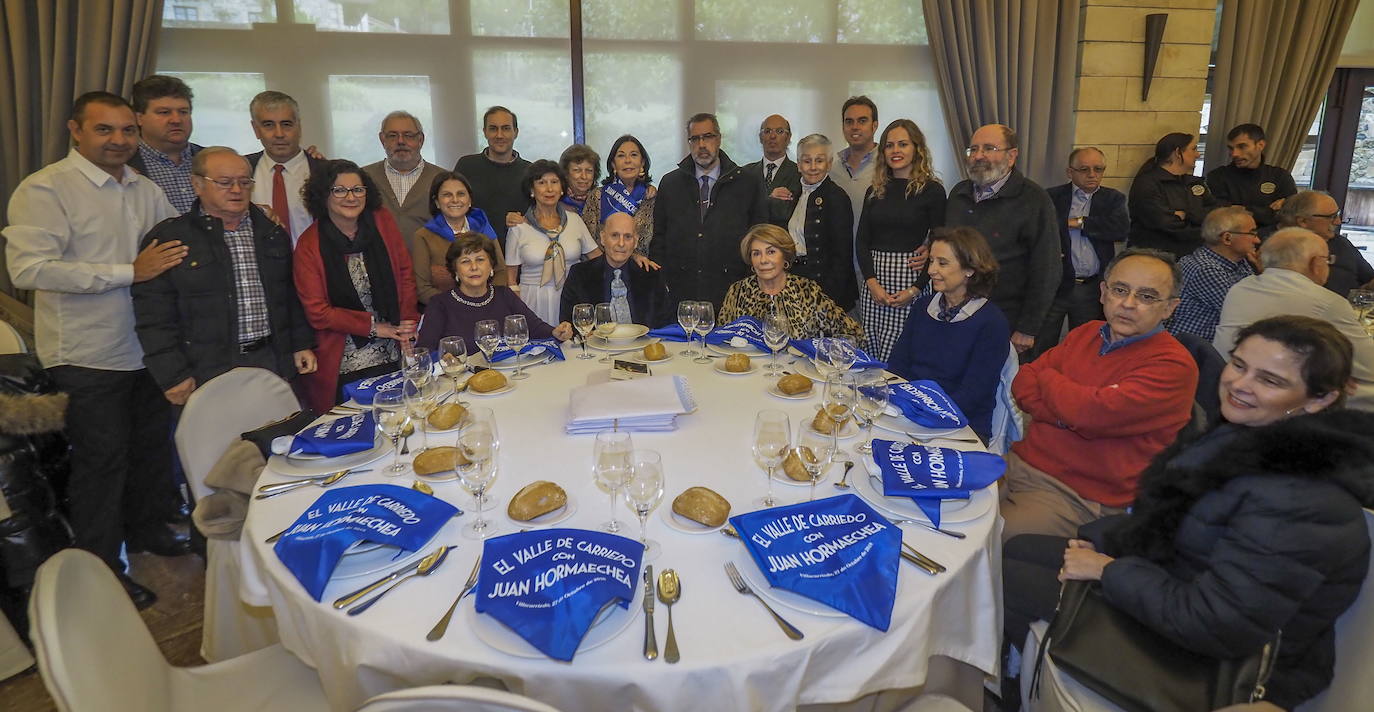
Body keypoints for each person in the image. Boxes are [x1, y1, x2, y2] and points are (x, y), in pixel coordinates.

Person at [1003, 316, 1374, 712]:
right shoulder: (1247, 435)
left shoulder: (1304, 498)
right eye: (1239, 365)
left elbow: (1218, 624)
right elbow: (1174, 524)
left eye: (1270, 380)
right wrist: (1100, 541)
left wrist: (1107, 570)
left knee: (1006, 578)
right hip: (1179, 586)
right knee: (1020, 549)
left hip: (1221, 659)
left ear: (1318, 400)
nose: (1240, 385)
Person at [4, 91, 190, 607]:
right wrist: (130, 272)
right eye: (105, 130)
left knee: (151, 451)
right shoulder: (45, 189)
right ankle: (102, 571)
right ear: (76, 130)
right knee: (101, 464)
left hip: (146, 350)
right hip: (87, 354)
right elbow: (29, 269)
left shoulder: (142, 187)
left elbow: (179, 238)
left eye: (127, 131)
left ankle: (151, 531)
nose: (119, 140)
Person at [1000, 248, 1197, 541]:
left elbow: (1089, 413)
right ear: (1103, 292)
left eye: (1146, 296)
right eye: (1120, 290)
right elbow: (1022, 384)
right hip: (1018, 463)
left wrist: (1051, 380)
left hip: (1077, 495)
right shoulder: (1087, 332)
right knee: (936, 506)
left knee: (985, 540)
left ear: (1169, 308)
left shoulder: (1173, 365)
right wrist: (1069, 413)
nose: (1128, 304)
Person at [132, 146, 317, 399]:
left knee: (277, 435)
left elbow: (288, 295)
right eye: (224, 182)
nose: (237, 190)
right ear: (197, 184)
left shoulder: (271, 232)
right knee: (216, 439)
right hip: (205, 369)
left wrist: (300, 344)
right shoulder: (171, 239)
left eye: (244, 181)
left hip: (271, 360)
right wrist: (172, 374)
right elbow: (154, 315)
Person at [293, 160, 419, 414]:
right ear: (323, 195)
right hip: (344, 355)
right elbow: (317, 312)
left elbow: (404, 274)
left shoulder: (381, 222)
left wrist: (407, 322)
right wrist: (373, 328)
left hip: (395, 345)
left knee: (404, 418)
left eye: (357, 190)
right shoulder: (309, 244)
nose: (350, 197)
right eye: (339, 190)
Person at [1213, 228, 1374, 410]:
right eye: (1327, 260)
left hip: (1226, 384)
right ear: (1315, 264)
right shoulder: (1326, 302)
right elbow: (1370, 368)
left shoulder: (1240, 287)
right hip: (1273, 398)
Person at [945, 124, 1061, 357]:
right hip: (957, 315)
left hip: (1006, 318)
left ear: (1012, 155)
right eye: (973, 149)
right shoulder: (958, 194)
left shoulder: (1034, 199)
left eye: (989, 148)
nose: (978, 156)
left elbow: (1047, 268)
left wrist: (1028, 328)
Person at [887, 227, 1010, 440]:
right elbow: (898, 364)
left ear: (970, 269)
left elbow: (972, 394)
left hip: (961, 425)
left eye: (942, 263)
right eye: (931, 261)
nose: (931, 270)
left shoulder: (991, 323)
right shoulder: (923, 307)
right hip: (912, 412)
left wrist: (921, 416)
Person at [650, 112, 766, 307]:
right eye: (695, 139)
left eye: (708, 136)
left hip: (733, 293)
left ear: (719, 139)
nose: (702, 144)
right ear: (689, 142)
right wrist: (661, 282)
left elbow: (759, 236)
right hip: (680, 294)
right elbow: (659, 238)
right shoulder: (670, 183)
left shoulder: (747, 182)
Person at [856, 119, 946, 360]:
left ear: (917, 149)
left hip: (912, 281)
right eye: (889, 145)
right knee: (871, 351)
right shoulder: (875, 191)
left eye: (903, 144)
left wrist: (915, 289)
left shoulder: (932, 191)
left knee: (905, 352)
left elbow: (939, 246)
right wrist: (872, 283)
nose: (895, 151)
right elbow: (862, 241)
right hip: (875, 284)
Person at [1032, 147, 1129, 358]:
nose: (1092, 174)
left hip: (1091, 286)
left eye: (1098, 169)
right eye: (1084, 169)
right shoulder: (1052, 197)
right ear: (1070, 172)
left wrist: (1079, 223)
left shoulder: (1112, 199)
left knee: (1085, 346)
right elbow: (1041, 230)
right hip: (1057, 282)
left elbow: (1120, 230)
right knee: (1042, 344)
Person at [417, 233, 572, 350]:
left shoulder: (504, 295)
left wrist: (556, 332)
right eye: (465, 261)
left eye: (480, 259)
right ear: (455, 270)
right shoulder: (440, 304)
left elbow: (535, 328)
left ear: (491, 266)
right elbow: (425, 351)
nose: (474, 267)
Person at [718, 224, 863, 343]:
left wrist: (823, 356)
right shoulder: (737, 291)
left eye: (771, 252)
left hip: (796, 373)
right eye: (756, 253)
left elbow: (853, 334)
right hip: (748, 373)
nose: (763, 260)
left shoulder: (807, 290)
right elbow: (720, 339)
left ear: (785, 256)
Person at [504, 159, 601, 325]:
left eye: (554, 182)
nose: (549, 189)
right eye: (541, 182)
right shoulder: (518, 227)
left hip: (572, 297)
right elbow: (511, 280)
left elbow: (598, 258)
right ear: (531, 190)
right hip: (533, 300)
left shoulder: (575, 220)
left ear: (562, 188)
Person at [559, 212, 672, 328]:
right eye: (614, 235)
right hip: (595, 345)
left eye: (627, 237)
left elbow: (666, 324)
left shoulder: (651, 275)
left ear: (636, 241)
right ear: (603, 238)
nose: (621, 243)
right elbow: (569, 323)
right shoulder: (579, 275)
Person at [410, 171, 507, 304]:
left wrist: (486, 302)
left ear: (470, 200)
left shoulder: (484, 228)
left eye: (461, 194)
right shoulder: (423, 236)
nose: (455, 200)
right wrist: (462, 305)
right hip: (445, 312)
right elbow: (422, 289)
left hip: (488, 306)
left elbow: (500, 272)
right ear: (437, 202)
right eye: (447, 195)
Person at [786, 134, 857, 310]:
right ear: (798, 164)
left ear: (829, 163)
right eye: (807, 161)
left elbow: (842, 256)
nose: (812, 167)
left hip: (825, 288)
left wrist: (827, 299)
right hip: (795, 281)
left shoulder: (836, 197)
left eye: (819, 160)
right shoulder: (794, 194)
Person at [1168, 205, 1259, 341]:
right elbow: (1247, 312)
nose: (1257, 240)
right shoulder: (1205, 269)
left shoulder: (1239, 262)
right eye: (1252, 233)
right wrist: (1265, 272)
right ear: (1227, 238)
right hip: (1191, 351)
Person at [246, 90, 326, 247]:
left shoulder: (324, 170)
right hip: (262, 268)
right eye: (268, 125)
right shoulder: (242, 171)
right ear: (255, 129)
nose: (279, 134)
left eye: (286, 124)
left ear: (299, 126)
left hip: (315, 267)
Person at [1127, 132, 1219, 260]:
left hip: (1191, 256)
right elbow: (1166, 224)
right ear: (1177, 152)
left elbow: (1216, 214)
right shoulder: (1148, 184)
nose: (1198, 154)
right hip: (1156, 258)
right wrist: (1208, 231)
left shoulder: (1195, 183)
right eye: (1193, 149)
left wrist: (1186, 215)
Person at [361, 110, 444, 249]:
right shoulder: (363, 178)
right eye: (392, 136)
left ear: (420, 140)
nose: (400, 141)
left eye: (408, 135)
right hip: (379, 267)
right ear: (382, 140)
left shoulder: (443, 179)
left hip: (428, 268)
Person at [127, 74, 201, 214]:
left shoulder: (211, 160)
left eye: (183, 112)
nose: (176, 120)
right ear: (139, 118)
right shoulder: (123, 165)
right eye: (164, 112)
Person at [453, 106, 531, 239]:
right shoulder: (466, 166)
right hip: (474, 252)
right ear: (485, 132)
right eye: (493, 128)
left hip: (520, 253)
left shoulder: (530, 171)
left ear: (516, 132)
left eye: (506, 128)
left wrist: (526, 221)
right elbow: (452, 210)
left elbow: (540, 217)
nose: (499, 135)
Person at [1277, 190, 1374, 296]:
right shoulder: (1275, 245)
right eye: (1331, 217)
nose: (1338, 222)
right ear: (1303, 221)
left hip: (1348, 309)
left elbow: (1367, 283)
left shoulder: (1342, 244)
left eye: (1337, 214)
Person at [1206, 123, 1297, 234]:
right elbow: (1222, 217)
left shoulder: (1280, 176)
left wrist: (1242, 209)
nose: (1234, 154)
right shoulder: (1217, 177)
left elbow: (1290, 216)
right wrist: (1267, 212)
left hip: (1273, 240)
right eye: (1231, 148)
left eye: (1242, 147)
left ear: (1260, 145)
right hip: (1234, 239)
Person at [581, 134, 657, 254]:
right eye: (621, 156)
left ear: (642, 162)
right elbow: (587, 242)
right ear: (613, 164)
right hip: (601, 268)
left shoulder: (651, 198)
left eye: (634, 155)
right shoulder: (598, 196)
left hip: (642, 269)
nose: (628, 160)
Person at [830, 96, 880, 230]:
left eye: (862, 121)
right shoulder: (831, 170)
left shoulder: (887, 166)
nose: (855, 127)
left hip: (875, 249)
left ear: (874, 126)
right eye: (849, 122)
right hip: (838, 250)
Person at [743, 114, 801, 227]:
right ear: (760, 137)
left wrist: (758, 203)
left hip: (783, 241)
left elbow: (787, 213)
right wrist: (771, 199)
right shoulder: (745, 173)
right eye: (767, 131)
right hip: (751, 239)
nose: (773, 136)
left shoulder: (799, 174)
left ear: (788, 137)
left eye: (779, 131)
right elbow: (741, 211)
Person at [558, 143, 600, 214]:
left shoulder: (600, 200)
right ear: (565, 173)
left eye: (589, 171)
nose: (584, 176)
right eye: (577, 170)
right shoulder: (555, 200)